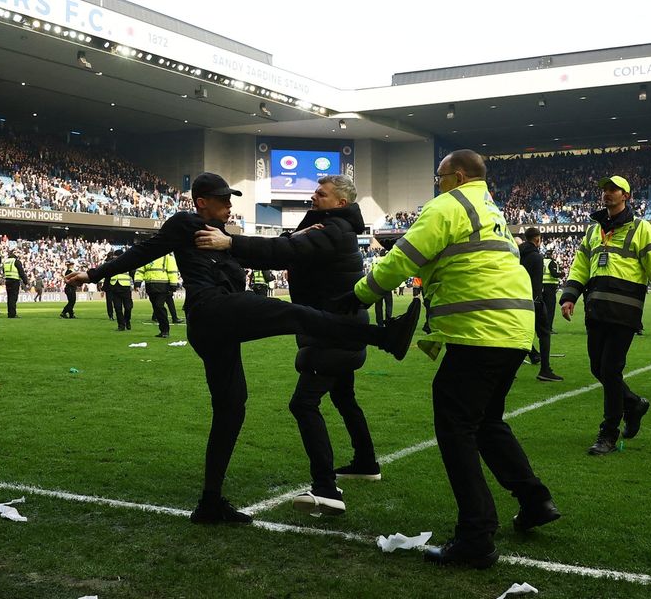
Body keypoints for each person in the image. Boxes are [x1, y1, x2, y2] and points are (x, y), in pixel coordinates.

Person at [66, 172, 419, 526]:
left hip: (223, 325)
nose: (229, 205)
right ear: (202, 202)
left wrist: (286, 239)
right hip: (211, 312)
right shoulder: (185, 224)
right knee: (292, 314)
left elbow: (268, 254)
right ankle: (383, 338)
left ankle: (210, 503)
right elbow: (145, 250)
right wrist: (93, 274)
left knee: (232, 408)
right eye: (223, 200)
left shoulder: (224, 237)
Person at [348, 151, 559, 568]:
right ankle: (534, 500)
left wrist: (357, 295)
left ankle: (476, 536)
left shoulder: (448, 205)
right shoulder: (489, 209)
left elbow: (401, 260)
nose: (436, 182)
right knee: (487, 421)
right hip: (513, 329)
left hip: (479, 330)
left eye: (438, 176)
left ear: (456, 176)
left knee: (456, 424)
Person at [196, 174, 381, 516]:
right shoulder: (333, 227)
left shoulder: (333, 230)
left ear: (341, 203)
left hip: (333, 332)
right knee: (344, 396)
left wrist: (230, 243)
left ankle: (325, 488)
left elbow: (284, 251)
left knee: (304, 403)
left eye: (321, 194)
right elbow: (291, 244)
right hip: (344, 328)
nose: (314, 197)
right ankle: (367, 462)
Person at [560, 175, 651, 456]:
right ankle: (634, 404)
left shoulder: (641, 228)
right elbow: (580, 267)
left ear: (626, 195)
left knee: (610, 370)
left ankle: (609, 432)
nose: (607, 193)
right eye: (604, 189)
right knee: (597, 369)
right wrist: (569, 296)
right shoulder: (593, 230)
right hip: (596, 310)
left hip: (624, 313)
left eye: (613, 189)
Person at [518, 228, 561, 382]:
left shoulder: (517, 255)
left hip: (517, 300)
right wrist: (538, 300)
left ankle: (510, 371)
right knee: (544, 334)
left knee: (520, 335)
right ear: (537, 239)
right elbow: (536, 283)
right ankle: (545, 369)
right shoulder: (536, 257)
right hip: (534, 300)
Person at [138, 254, 176, 338]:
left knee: (159, 306)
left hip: (163, 286)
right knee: (156, 308)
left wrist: (173, 285)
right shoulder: (146, 256)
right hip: (150, 286)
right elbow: (140, 270)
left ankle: (165, 330)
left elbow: (172, 271)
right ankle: (163, 330)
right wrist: (138, 282)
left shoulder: (167, 257)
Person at [540, 244, 563, 334]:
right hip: (550, 288)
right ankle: (548, 328)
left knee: (543, 309)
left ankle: (542, 327)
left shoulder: (542, 261)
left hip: (542, 287)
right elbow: (554, 274)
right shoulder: (551, 263)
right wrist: (561, 274)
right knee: (550, 309)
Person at [106, 260, 134, 331]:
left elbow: (133, 273)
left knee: (128, 307)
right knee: (117, 308)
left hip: (125, 287)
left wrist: (136, 284)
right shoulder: (112, 264)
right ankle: (121, 325)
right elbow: (107, 275)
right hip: (114, 287)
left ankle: (127, 320)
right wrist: (106, 286)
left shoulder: (128, 263)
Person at [2, 250, 28, 318]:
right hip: (14, 281)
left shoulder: (6, 262)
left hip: (7, 281)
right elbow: (21, 272)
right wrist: (26, 282)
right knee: (13, 298)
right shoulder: (16, 261)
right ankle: (12, 314)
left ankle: (9, 313)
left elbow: (3, 271)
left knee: (9, 298)